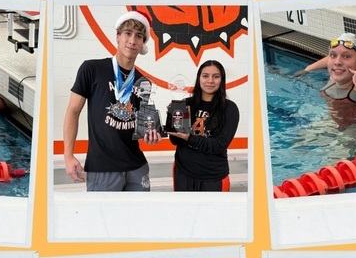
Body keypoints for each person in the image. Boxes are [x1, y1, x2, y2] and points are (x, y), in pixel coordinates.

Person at [63, 10, 161, 191]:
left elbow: (143, 127)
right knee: (103, 219)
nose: (132, 40)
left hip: (137, 167)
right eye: (128, 33)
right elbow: (72, 111)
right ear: (118, 36)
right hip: (103, 168)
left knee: (139, 219)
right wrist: (68, 155)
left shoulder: (144, 82)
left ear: (143, 43)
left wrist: (151, 135)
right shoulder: (92, 69)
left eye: (139, 36)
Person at [169, 60, 239, 192]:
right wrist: (171, 121)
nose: (210, 80)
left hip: (213, 177)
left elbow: (219, 145)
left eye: (216, 76)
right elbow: (175, 141)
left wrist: (189, 138)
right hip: (183, 173)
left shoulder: (229, 108)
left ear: (222, 80)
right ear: (199, 78)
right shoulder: (185, 104)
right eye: (205, 76)